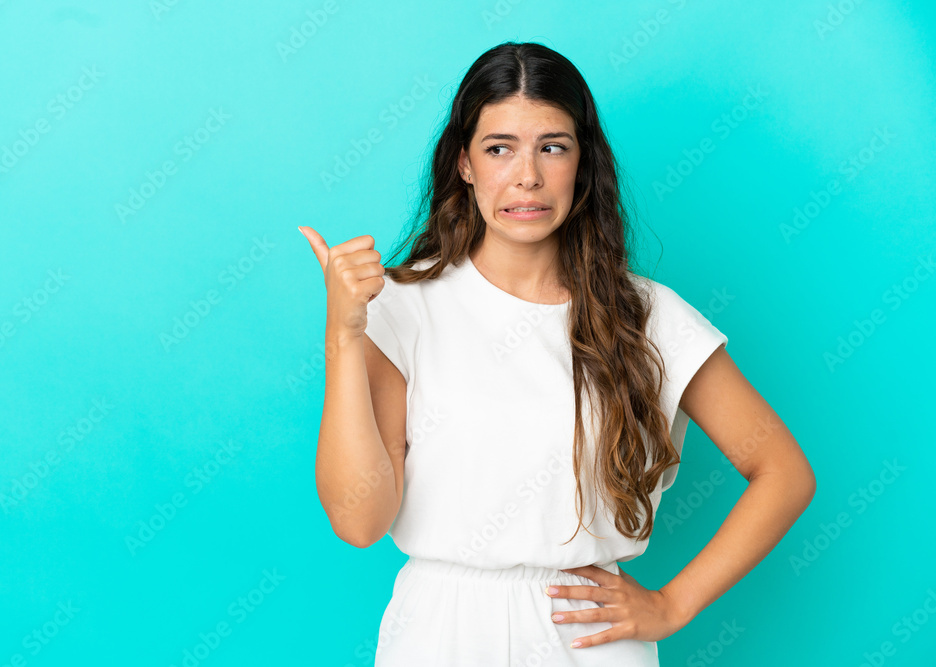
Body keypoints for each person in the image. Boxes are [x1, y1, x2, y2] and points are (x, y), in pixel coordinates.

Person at [300, 41, 815, 666]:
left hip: (588, 638)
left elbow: (784, 472)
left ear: (582, 162)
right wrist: (344, 335)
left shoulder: (647, 316)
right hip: (440, 634)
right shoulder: (405, 307)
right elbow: (360, 523)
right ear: (464, 163)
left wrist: (673, 605)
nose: (528, 177)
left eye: (552, 146)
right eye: (500, 148)